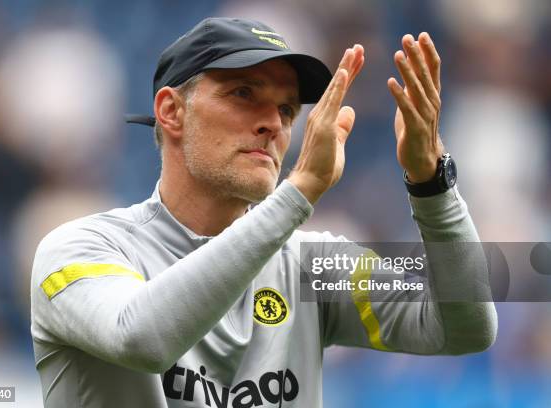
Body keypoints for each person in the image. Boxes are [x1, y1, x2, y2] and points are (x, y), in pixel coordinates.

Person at [30, 17, 497, 407]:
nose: (273, 123)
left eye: (288, 109)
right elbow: (141, 339)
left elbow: (464, 328)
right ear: (171, 111)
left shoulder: (310, 267)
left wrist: (431, 182)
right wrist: (298, 193)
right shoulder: (78, 249)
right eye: (243, 94)